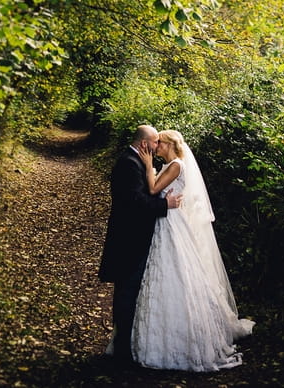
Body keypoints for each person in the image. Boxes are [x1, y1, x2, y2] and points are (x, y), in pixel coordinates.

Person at [131, 128, 254, 371]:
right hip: (165, 222)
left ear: (170, 145)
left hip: (172, 223)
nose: (156, 148)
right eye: (156, 144)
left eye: (160, 144)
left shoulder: (176, 164)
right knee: (163, 271)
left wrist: (147, 165)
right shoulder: (171, 165)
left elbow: (154, 189)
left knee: (177, 270)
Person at [98, 124, 182, 363]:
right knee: (127, 291)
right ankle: (122, 349)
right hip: (128, 240)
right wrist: (166, 205)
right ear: (145, 144)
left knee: (130, 290)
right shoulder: (128, 164)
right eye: (155, 142)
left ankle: (124, 344)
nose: (157, 146)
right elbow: (135, 202)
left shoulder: (135, 161)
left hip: (133, 238)